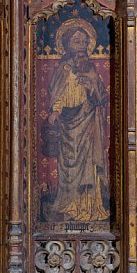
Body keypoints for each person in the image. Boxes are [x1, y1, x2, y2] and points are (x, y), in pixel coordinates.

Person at [45, 19, 110, 223]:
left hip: (88, 121)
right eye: (76, 42)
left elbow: (101, 97)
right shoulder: (63, 70)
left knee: (88, 165)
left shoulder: (91, 69)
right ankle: (68, 205)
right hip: (68, 125)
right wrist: (55, 111)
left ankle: (88, 208)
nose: (81, 46)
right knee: (69, 166)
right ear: (67, 45)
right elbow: (57, 95)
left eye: (83, 42)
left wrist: (90, 85)